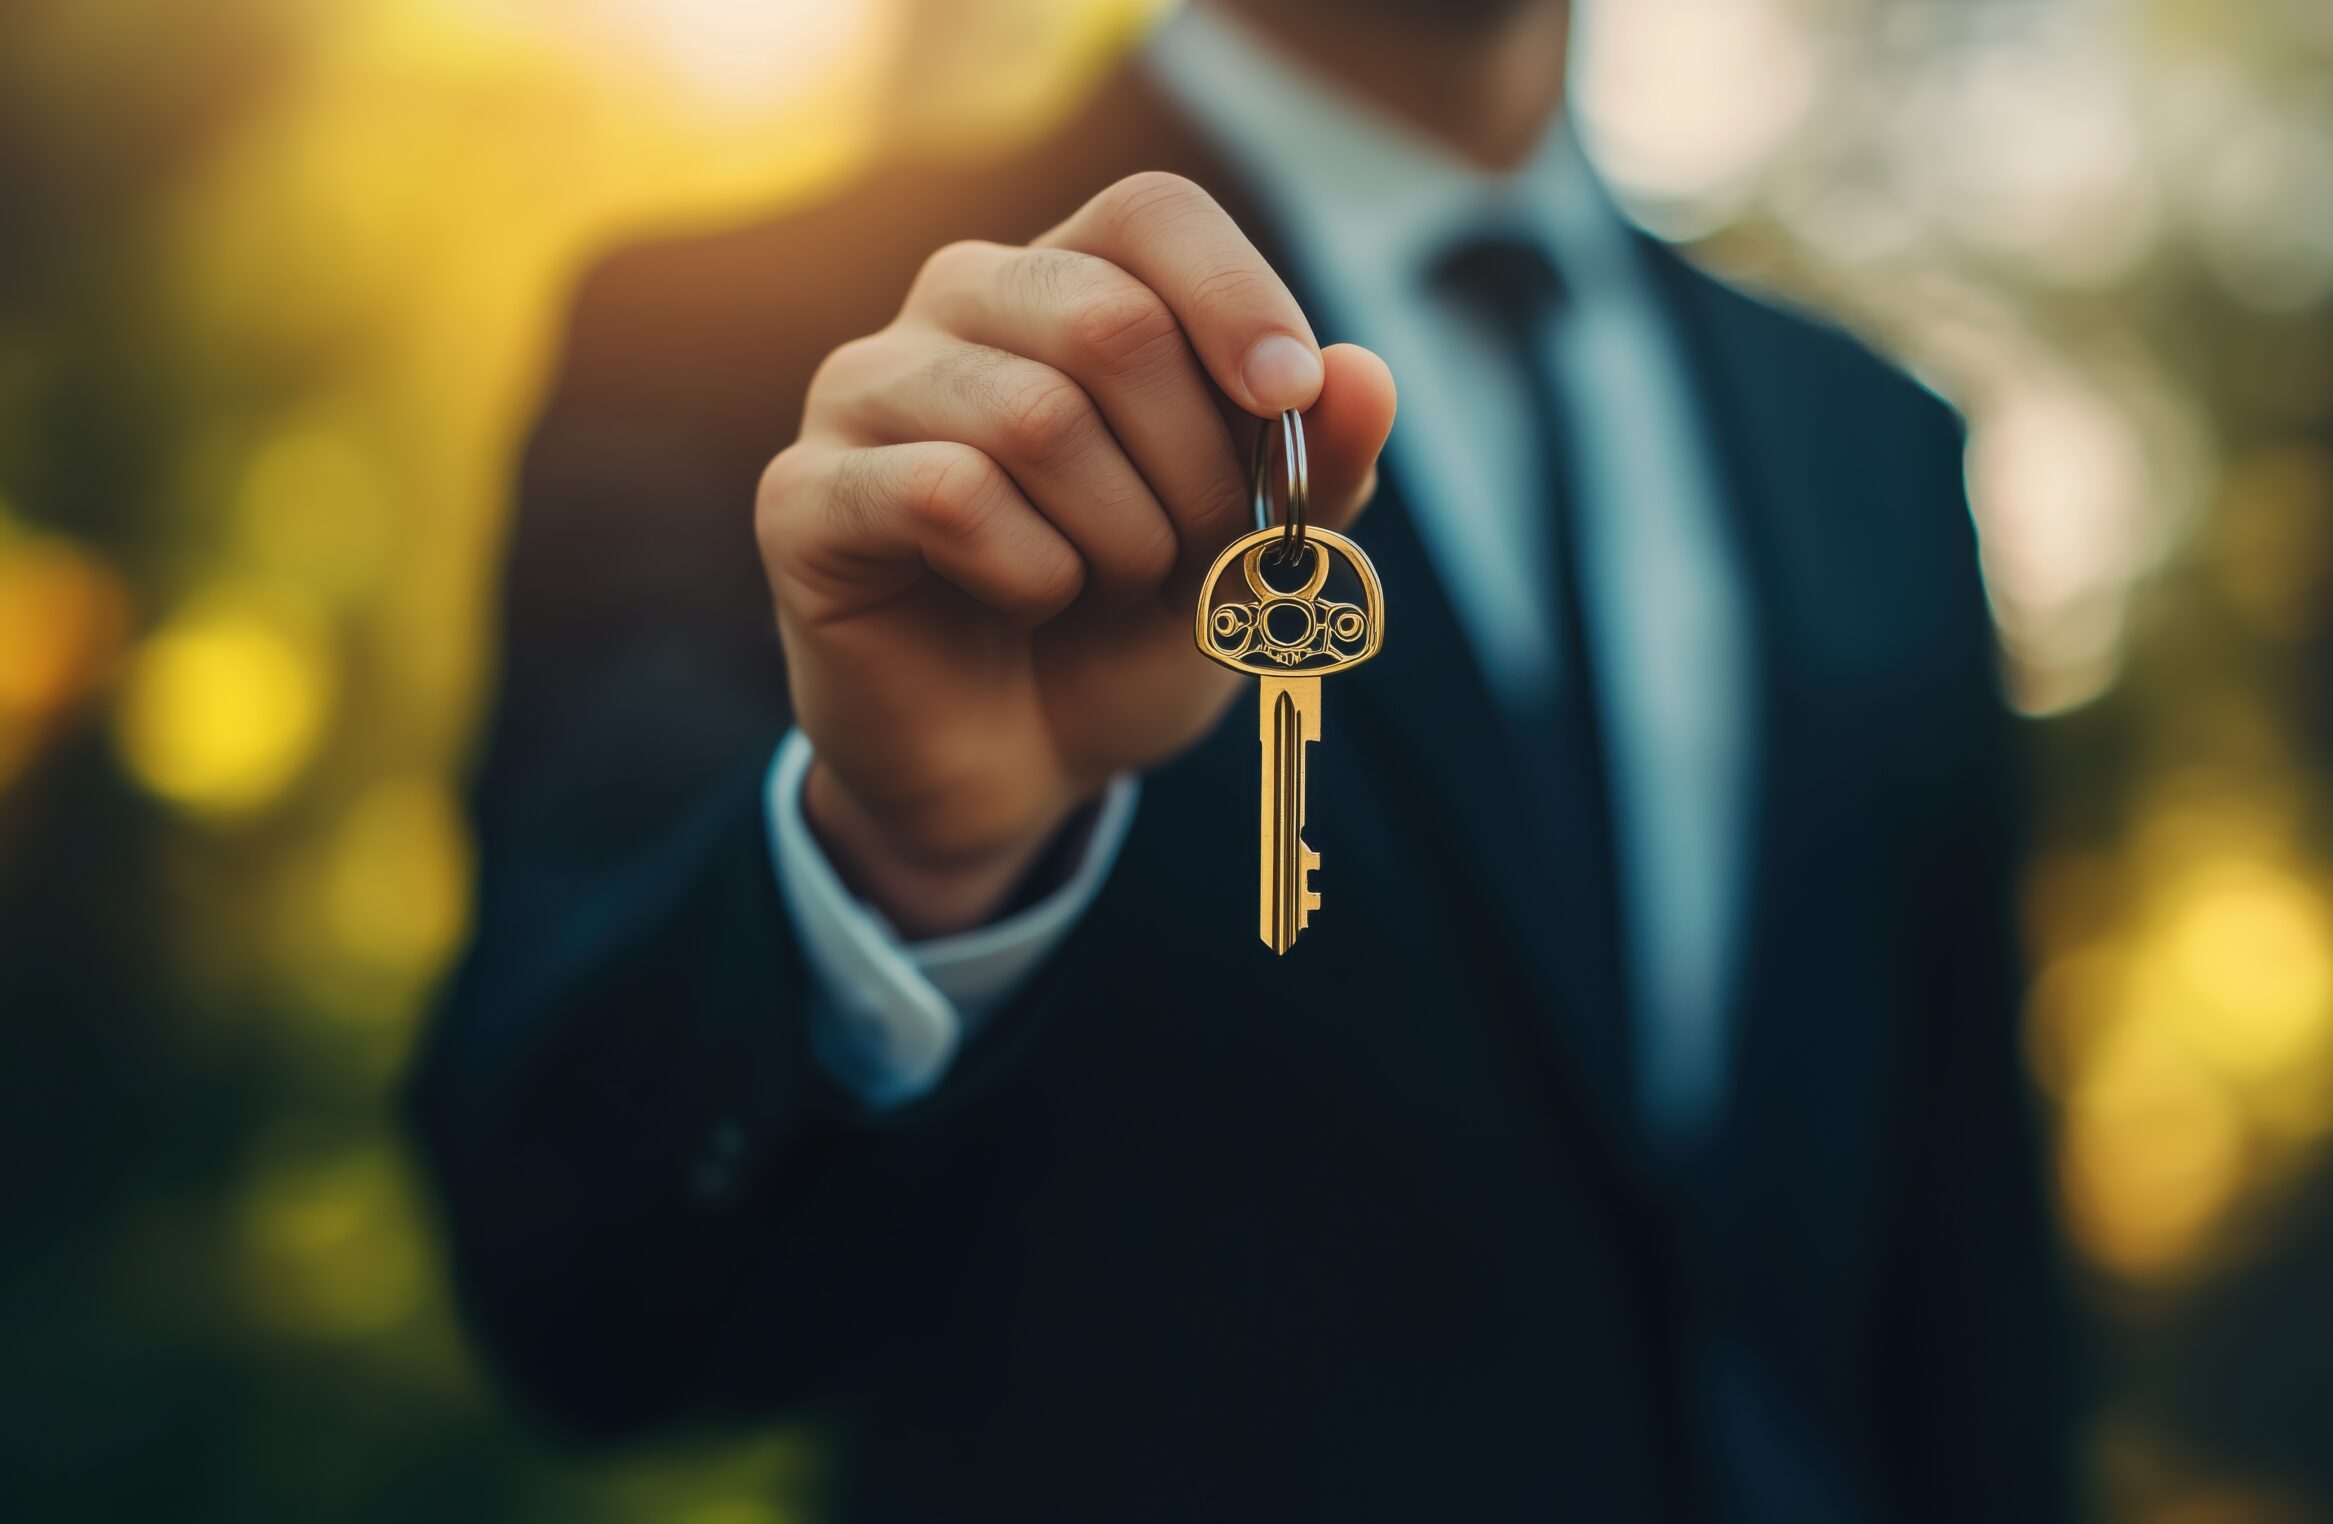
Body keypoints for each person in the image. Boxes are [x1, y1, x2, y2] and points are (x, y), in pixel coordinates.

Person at [409, 0, 2074, 1517]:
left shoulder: (1873, 449)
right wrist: (904, 870)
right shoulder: (759, 345)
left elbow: (1971, 1289)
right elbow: (578, 1285)